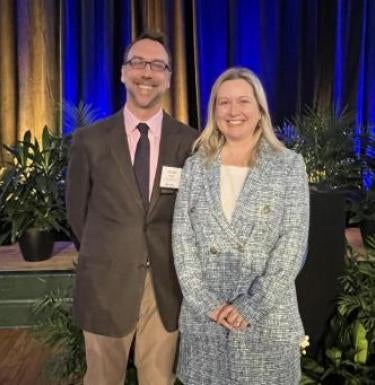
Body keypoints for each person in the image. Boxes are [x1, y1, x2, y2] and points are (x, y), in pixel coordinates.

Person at [66, 31, 197, 385]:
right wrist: (111, 251)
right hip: (106, 283)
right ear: (123, 73)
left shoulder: (189, 142)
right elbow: (76, 214)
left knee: (159, 380)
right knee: (102, 379)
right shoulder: (89, 141)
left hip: (164, 288)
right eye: (137, 62)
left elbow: (191, 215)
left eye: (157, 65)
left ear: (169, 78)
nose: (146, 72)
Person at [172, 67, 309, 385]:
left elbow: (292, 246)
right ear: (214, 111)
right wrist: (209, 304)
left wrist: (250, 306)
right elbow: (182, 241)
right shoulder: (195, 167)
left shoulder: (289, 166)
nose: (234, 111)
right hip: (206, 322)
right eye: (224, 102)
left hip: (267, 321)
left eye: (244, 101)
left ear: (260, 110)